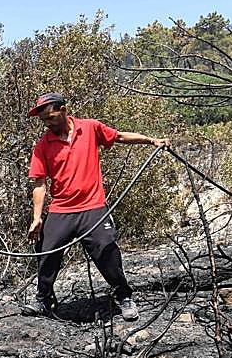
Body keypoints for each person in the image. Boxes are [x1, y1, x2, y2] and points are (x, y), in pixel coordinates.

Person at [22, 92, 169, 321]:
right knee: (46, 250)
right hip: (61, 209)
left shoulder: (90, 128)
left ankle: (124, 296)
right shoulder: (43, 145)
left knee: (106, 249)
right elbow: (39, 184)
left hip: (93, 206)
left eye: (50, 117)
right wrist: (37, 218)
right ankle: (43, 299)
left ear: (62, 109)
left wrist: (152, 141)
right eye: (44, 120)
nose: (47, 123)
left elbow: (119, 136)